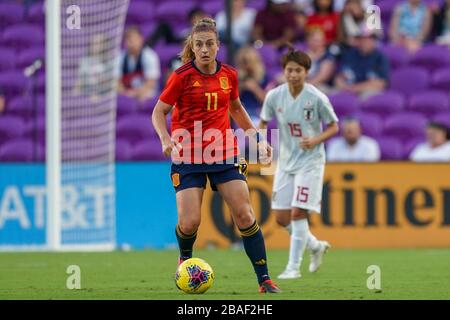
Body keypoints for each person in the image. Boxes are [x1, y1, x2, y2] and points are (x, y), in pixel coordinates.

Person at [151, 18, 281, 293]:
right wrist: (165, 138)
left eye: (210, 43)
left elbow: (235, 108)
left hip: (223, 151)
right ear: (193, 47)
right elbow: (159, 111)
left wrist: (257, 139)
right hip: (188, 155)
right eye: (199, 44)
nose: (205, 49)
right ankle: (185, 258)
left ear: (218, 45)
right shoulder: (182, 76)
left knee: (244, 215)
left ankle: (264, 279)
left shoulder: (229, 75)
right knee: (189, 222)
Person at [258, 46, 339, 279]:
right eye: (289, 70)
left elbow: (334, 126)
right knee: (281, 218)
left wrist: (315, 139)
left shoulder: (316, 98)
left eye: (298, 70)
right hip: (285, 161)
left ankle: (293, 267)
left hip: (311, 162)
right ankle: (315, 246)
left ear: (306, 72)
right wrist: (263, 143)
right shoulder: (275, 96)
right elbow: (262, 123)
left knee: (297, 213)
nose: (293, 74)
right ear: (284, 71)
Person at [334, 28, 389, 97]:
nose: (365, 41)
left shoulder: (380, 58)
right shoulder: (350, 54)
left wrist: (355, 88)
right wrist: (343, 86)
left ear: (374, 41)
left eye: (369, 38)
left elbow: (381, 83)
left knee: (367, 96)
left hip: (366, 90)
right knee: (332, 95)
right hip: (347, 89)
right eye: (363, 38)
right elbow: (338, 77)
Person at [118, 26, 161, 101]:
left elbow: (151, 83)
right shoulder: (120, 58)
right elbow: (116, 82)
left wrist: (136, 92)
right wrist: (125, 93)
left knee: (145, 96)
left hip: (146, 91)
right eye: (128, 39)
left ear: (141, 39)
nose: (131, 42)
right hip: (126, 92)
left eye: (134, 39)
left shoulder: (150, 56)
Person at [235, 46, 268, 120]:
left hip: (257, 112)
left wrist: (255, 88)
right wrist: (240, 87)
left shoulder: (264, 77)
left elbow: (268, 101)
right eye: (243, 62)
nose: (246, 65)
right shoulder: (236, 77)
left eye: (248, 61)